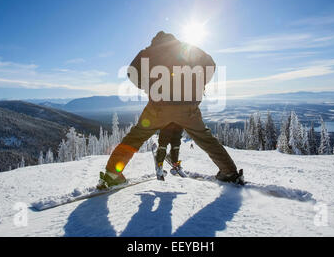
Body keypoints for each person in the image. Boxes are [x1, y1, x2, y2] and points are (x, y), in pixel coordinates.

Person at [98, 31, 244, 188]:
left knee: (135, 137)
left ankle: (112, 174)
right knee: (205, 139)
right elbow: (211, 64)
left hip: (159, 107)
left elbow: (131, 72)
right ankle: (229, 172)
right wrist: (198, 83)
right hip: (188, 107)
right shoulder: (186, 48)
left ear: (155, 41)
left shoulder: (147, 52)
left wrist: (148, 85)